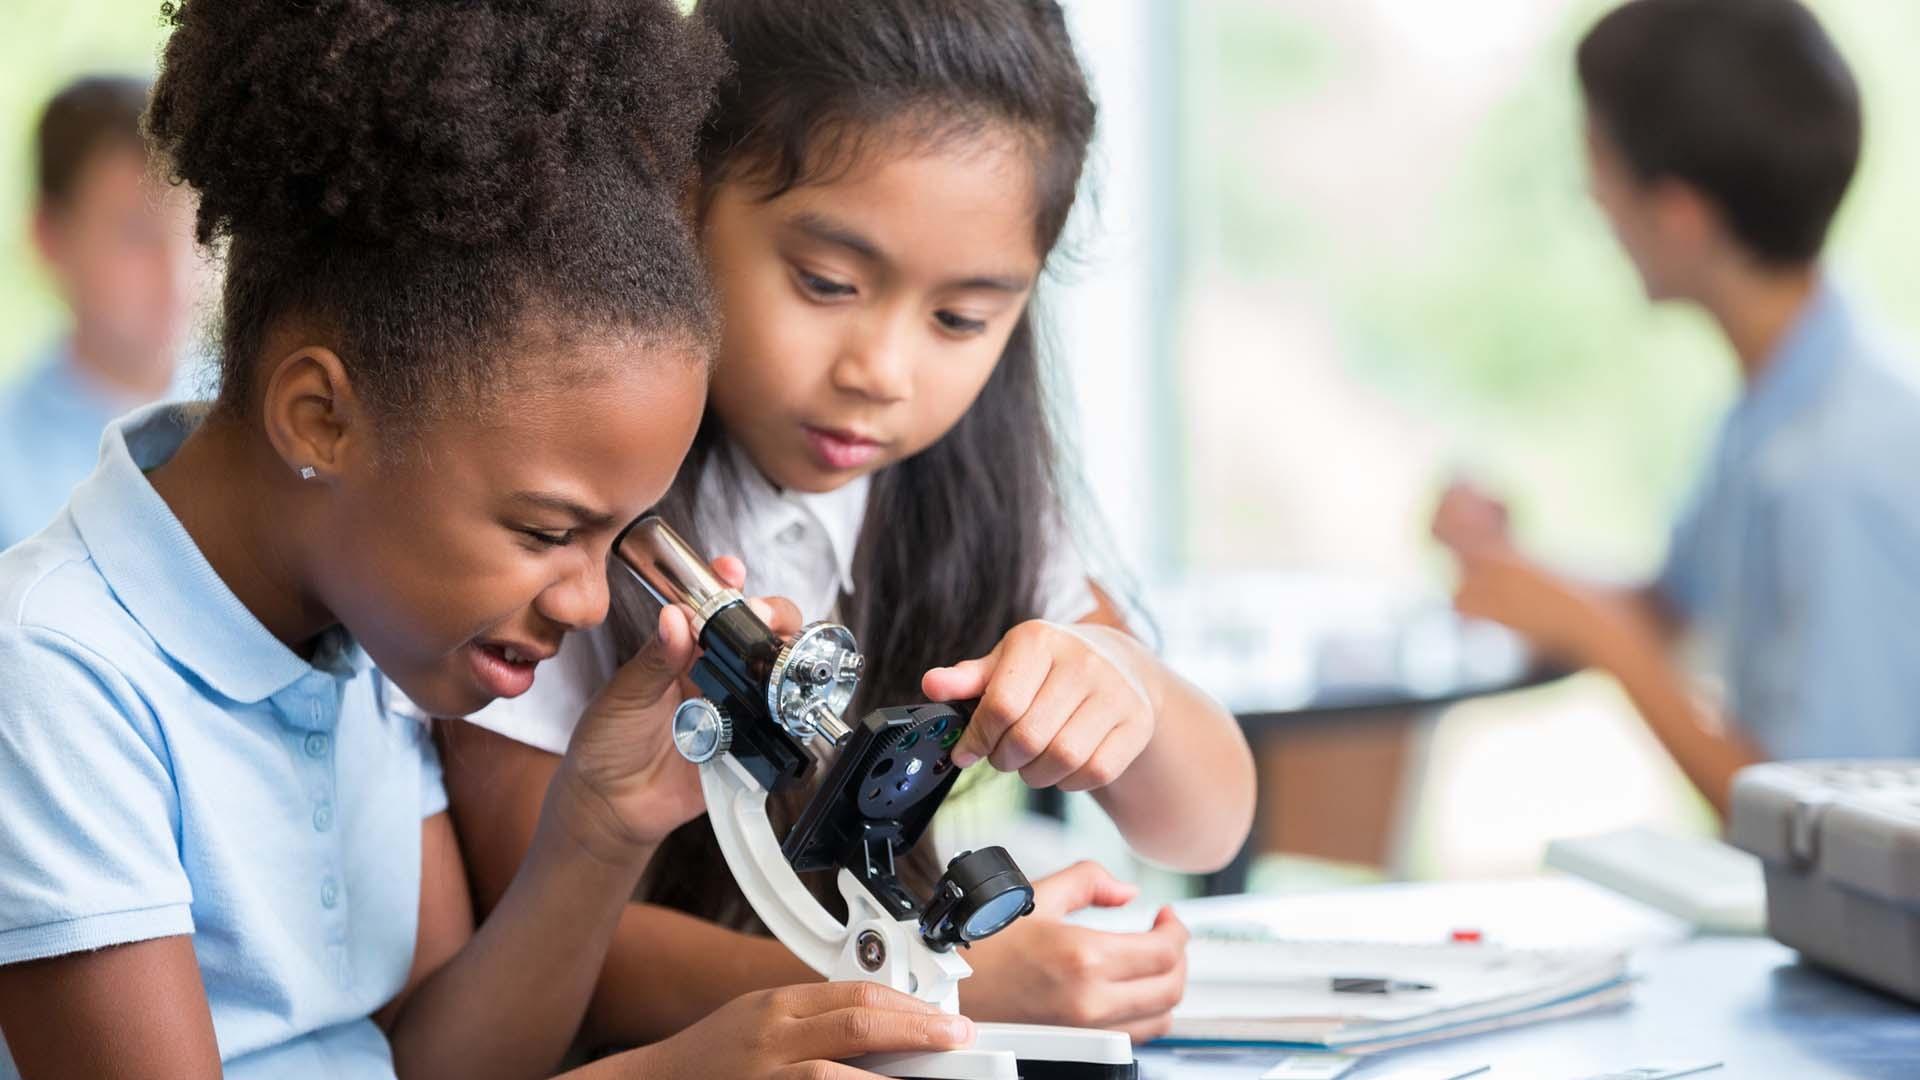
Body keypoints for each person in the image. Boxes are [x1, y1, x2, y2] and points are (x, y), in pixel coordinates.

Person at [0, 1, 974, 1076]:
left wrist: (598, 828)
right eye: (548, 530)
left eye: (614, 539)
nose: (590, 602)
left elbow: (438, 1061)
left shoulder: (361, 631)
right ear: (321, 419)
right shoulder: (50, 672)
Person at [441, 0, 1257, 1048]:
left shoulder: (969, 487)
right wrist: (937, 989)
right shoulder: (567, 506)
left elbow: (1205, 823)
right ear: (682, 199)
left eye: (961, 318)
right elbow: (549, 957)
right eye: (827, 283)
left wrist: (1123, 685)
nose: (881, 371)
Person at [1433, 0, 1920, 816]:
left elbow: (1828, 824)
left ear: (1681, 213)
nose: (1593, 198)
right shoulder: (1782, 399)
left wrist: (1606, 642)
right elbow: (1673, 608)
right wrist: (1519, 569)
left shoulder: (1845, 462)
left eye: (1600, 163)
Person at [0, 75, 199, 549]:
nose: (177, 271)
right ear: (49, 238)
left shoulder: (265, 414)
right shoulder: (10, 461)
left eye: (194, 231)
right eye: (136, 234)